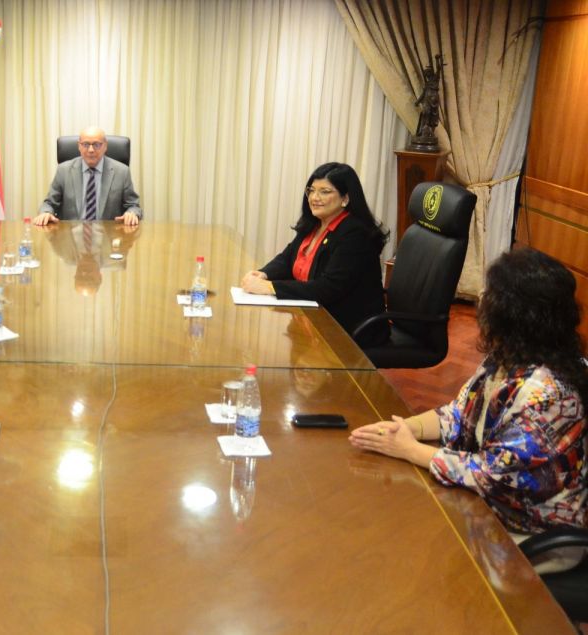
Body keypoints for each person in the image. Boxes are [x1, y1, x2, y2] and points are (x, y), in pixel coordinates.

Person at [349, 249, 588, 573]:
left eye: (490, 293)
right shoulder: (506, 358)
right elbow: (459, 413)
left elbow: (491, 475)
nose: (482, 298)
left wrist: (410, 450)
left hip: (532, 533)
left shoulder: (547, 393)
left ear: (512, 312)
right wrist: (406, 428)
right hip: (491, 509)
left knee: (409, 551)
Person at [240, 162, 388, 347]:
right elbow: (287, 259)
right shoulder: (315, 223)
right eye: (311, 190)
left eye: (325, 192)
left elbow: (328, 288)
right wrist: (263, 274)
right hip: (315, 319)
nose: (314, 198)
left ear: (345, 198)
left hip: (347, 329)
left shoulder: (356, 234)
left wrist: (270, 287)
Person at [33, 126, 142, 227]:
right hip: (71, 236)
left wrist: (131, 213)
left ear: (105, 146)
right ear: (79, 146)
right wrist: (46, 213)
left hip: (108, 236)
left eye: (97, 144)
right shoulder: (63, 170)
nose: (91, 150)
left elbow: (133, 205)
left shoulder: (122, 172)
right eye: (85, 144)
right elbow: (49, 203)